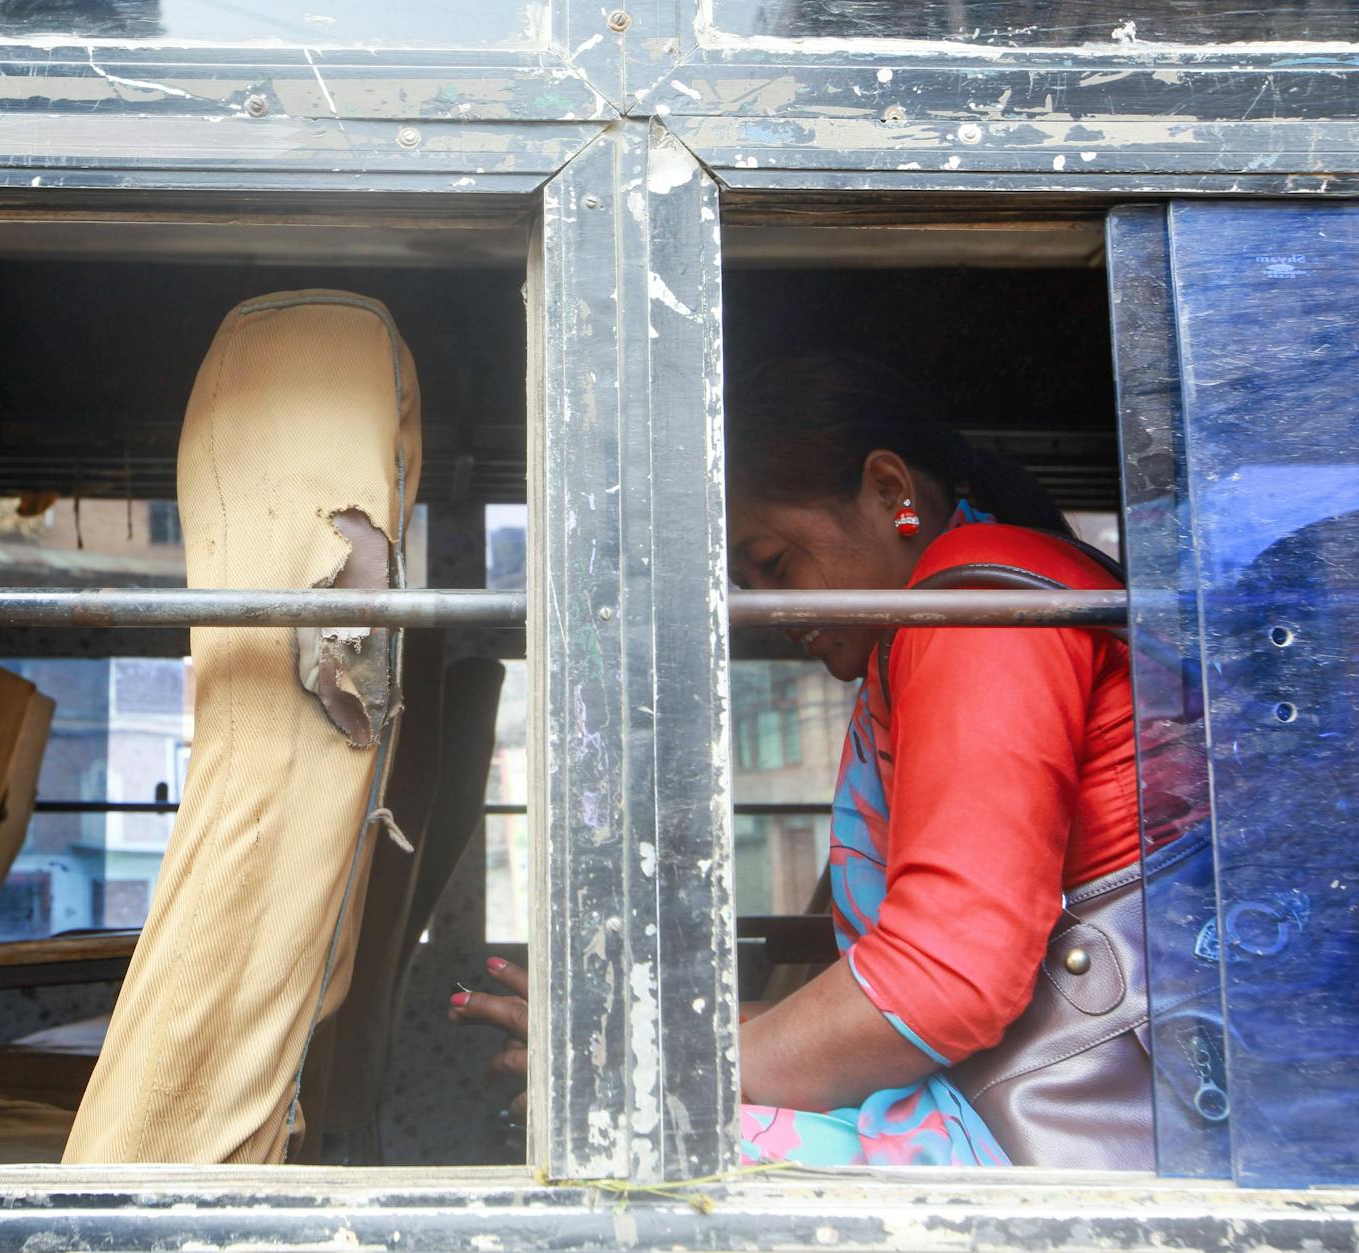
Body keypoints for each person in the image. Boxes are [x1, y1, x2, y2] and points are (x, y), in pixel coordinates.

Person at [451, 352, 1151, 1169]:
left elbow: (943, 978)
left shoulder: (974, 616)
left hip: (1069, 1123)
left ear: (891, 491)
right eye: (748, 585)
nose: (772, 609)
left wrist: (666, 1076)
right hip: (1029, 1089)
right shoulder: (945, 615)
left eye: (775, 564)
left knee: (623, 1153)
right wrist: (644, 1037)